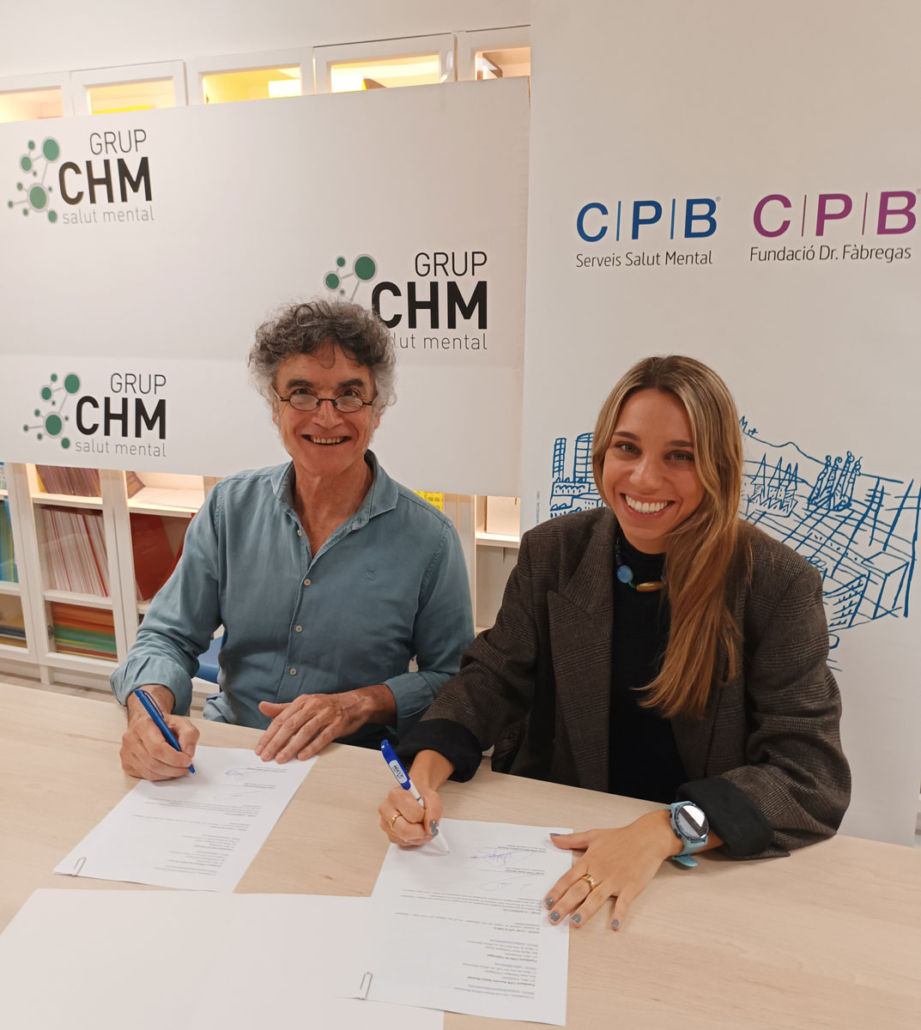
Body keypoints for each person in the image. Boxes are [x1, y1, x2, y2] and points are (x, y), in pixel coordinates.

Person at [378, 355, 850, 932]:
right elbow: (493, 678)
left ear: (719, 468)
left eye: (680, 456)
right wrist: (424, 774)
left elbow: (810, 774)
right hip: (560, 838)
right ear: (602, 452)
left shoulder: (777, 584)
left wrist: (666, 829)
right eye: (627, 448)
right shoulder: (553, 552)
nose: (644, 479)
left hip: (698, 864)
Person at [112, 300, 473, 781]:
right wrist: (148, 714)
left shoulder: (430, 539)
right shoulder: (229, 507)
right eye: (302, 393)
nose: (326, 418)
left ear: (378, 409)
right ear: (274, 404)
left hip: (351, 767)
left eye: (349, 395)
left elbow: (455, 682)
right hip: (232, 754)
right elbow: (167, 636)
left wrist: (358, 703)